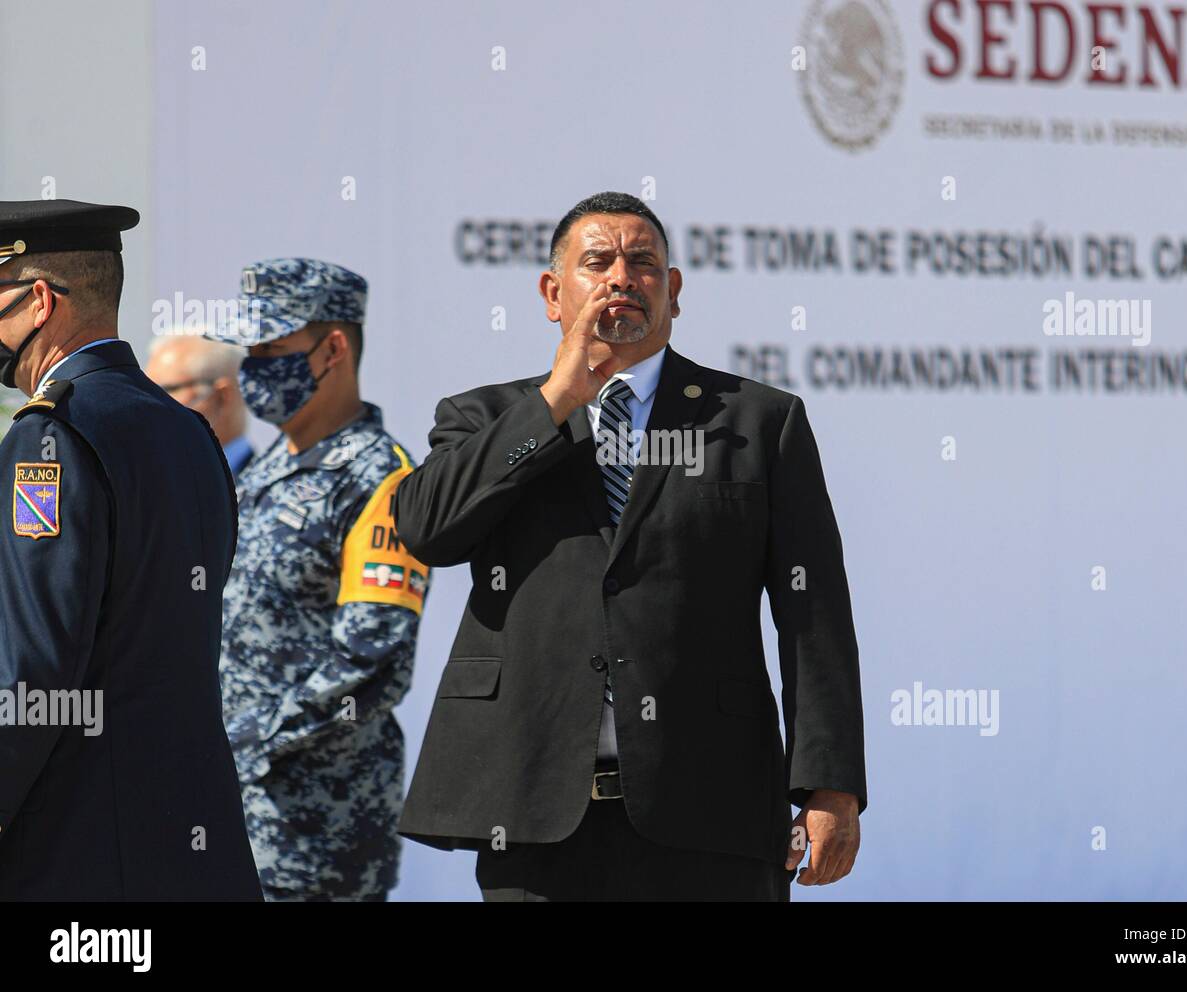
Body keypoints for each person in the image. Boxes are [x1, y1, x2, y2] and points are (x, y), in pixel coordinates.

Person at [394, 191, 867, 901]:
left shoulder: (758, 422)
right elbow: (429, 529)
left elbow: (814, 614)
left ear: (672, 292)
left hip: (711, 813)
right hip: (533, 813)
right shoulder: (485, 418)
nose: (622, 277)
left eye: (643, 263)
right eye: (598, 262)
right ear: (554, 294)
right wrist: (557, 397)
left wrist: (831, 786)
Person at [0, 199, 261, 900]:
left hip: (80, 854)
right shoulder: (187, 430)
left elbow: (32, 672)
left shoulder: (47, 438)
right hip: (194, 837)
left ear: (38, 303)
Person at [216, 258, 429, 901]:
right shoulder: (269, 462)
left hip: (317, 828)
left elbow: (373, 661)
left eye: (273, 348)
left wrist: (251, 744)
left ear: (332, 348)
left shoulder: (380, 478)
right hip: (239, 813)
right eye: (249, 350)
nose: (253, 367)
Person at [146, 333, 255, 474]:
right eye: (145, 390)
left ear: (223, 396)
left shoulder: (278, 491)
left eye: (166, 390)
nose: (148, 401)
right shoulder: (147, 486)